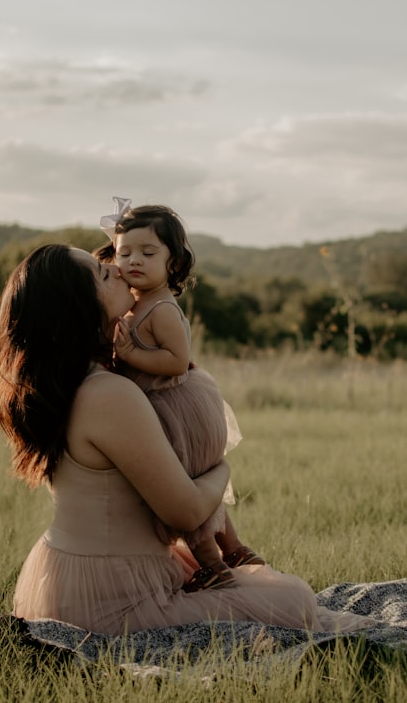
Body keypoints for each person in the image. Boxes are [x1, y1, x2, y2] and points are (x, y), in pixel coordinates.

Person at [0, 244, 361, 635]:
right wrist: (221, 466)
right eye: (100, 272)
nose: (115, 269)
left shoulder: (66, 384)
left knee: (256, 585)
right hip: (112, 595)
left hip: (76, 572)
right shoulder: (107, 395)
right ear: (76, 306)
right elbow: (188, 512)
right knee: (295, 601)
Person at [94, 198, 262, 592]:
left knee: (183, 490)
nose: (134, 261)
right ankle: (234, 548)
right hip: (162, 404)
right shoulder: (138, 304)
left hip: (172, 408)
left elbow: (176, 361)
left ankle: (212, 566)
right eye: (125, 253)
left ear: (173, 263)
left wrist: (130, 353)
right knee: (195, 481)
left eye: (148, 253)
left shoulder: (161, 309)